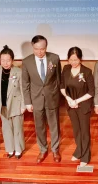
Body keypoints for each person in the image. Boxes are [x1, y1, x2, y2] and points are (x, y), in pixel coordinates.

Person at [22, 35, 61, 163]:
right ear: (32, 47)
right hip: (36, 99)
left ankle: (55, 149)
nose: (40, 52)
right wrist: (28, 102)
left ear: (46, 47)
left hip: (52, 98)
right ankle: (43, 149)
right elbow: (25, 83)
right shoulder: (27, 61)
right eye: (37, 49)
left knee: (54, 125)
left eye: (42, 49)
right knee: (39, 126)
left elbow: (58, 79)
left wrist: (57, 95)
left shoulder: (54, 58)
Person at [60, 47, 94, 167]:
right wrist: (69, 99)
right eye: (71, 59)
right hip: (71, 105)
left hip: (83, 105)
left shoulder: (87, 72)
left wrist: (77, 101)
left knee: (84, 131)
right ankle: (79, 151)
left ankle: (85, 155)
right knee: (76, 130)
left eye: (76, 59)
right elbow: (62, 86)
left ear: (80, 59)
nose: (73, 62)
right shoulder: (66, 68)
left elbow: (91, 92)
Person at [0, 45, 25, 159]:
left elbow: (23, 89)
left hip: (16, 103)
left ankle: (18, 149)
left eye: (8, 60)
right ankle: (10, 149)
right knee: (6, 128)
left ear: (12, 60)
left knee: (17, 128)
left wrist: (23, 105)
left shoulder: (18, 71)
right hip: (2, 104)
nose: (5, 63)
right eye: (3, 60)